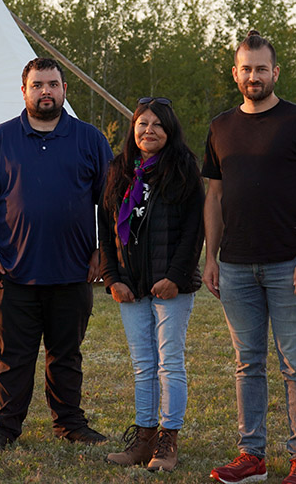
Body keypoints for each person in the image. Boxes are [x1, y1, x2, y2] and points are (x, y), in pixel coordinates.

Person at [202, 30, 296, 484]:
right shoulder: (220, 127)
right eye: (247, 69)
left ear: (275, 72)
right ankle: (251, 456)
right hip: (236, 266)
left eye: (262, 69)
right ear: (235, 73)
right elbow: (214, 199)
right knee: (247, 362)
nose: (254, 76)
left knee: (295, 362)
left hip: (288, 263)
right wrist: (211, 257)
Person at [0, 57, 113, 452]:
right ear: (24, 91)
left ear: (64, 90)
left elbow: (111, 204)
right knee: (13, 357)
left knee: (66, 355)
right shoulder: (1, 139)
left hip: (73, 270)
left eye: (53, 84)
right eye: (37, 85)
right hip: (13, 272)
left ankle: (70, 423)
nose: (45, 91)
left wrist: (103, 250)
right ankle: (5, 427)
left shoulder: (90, 139)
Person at [98, 97, 205, 472]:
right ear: (133, 129)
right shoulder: (120, 170)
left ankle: (167, 441)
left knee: (169, 363)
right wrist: (112, 278)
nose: (149, 130)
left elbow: (194, 230)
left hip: (169, 285)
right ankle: (143, 440)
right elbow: (106, 228)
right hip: (130, 284)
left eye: (157, 124)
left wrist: (175, 277)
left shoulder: (183, 170)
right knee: (143, 365)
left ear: (170, 129)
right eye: (142, 123)